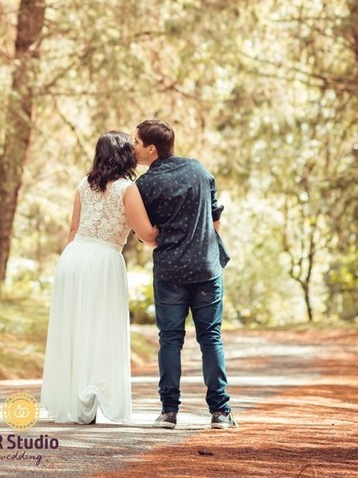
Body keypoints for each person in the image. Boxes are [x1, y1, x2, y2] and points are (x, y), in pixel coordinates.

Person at [40, 131, 159, 425]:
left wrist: (69, 263)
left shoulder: (84, 184)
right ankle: (90, 395)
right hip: (103, 260)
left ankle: (76, 400)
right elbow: (147, 234)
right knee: (100, 328)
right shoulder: (127, 189)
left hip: (72, 258)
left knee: (74, 328)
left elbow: (73, 230)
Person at [133, 119, 236, 430]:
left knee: (170, 340)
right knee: (211, 338)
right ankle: (220, 412)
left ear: (151, 149)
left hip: (170, 271)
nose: (132, 147)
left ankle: (169, 412)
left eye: (136, 142)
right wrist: (204, 245)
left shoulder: (145, 185)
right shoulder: (198, 170)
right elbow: (216, 217)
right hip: (206, 268)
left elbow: (146, 234)